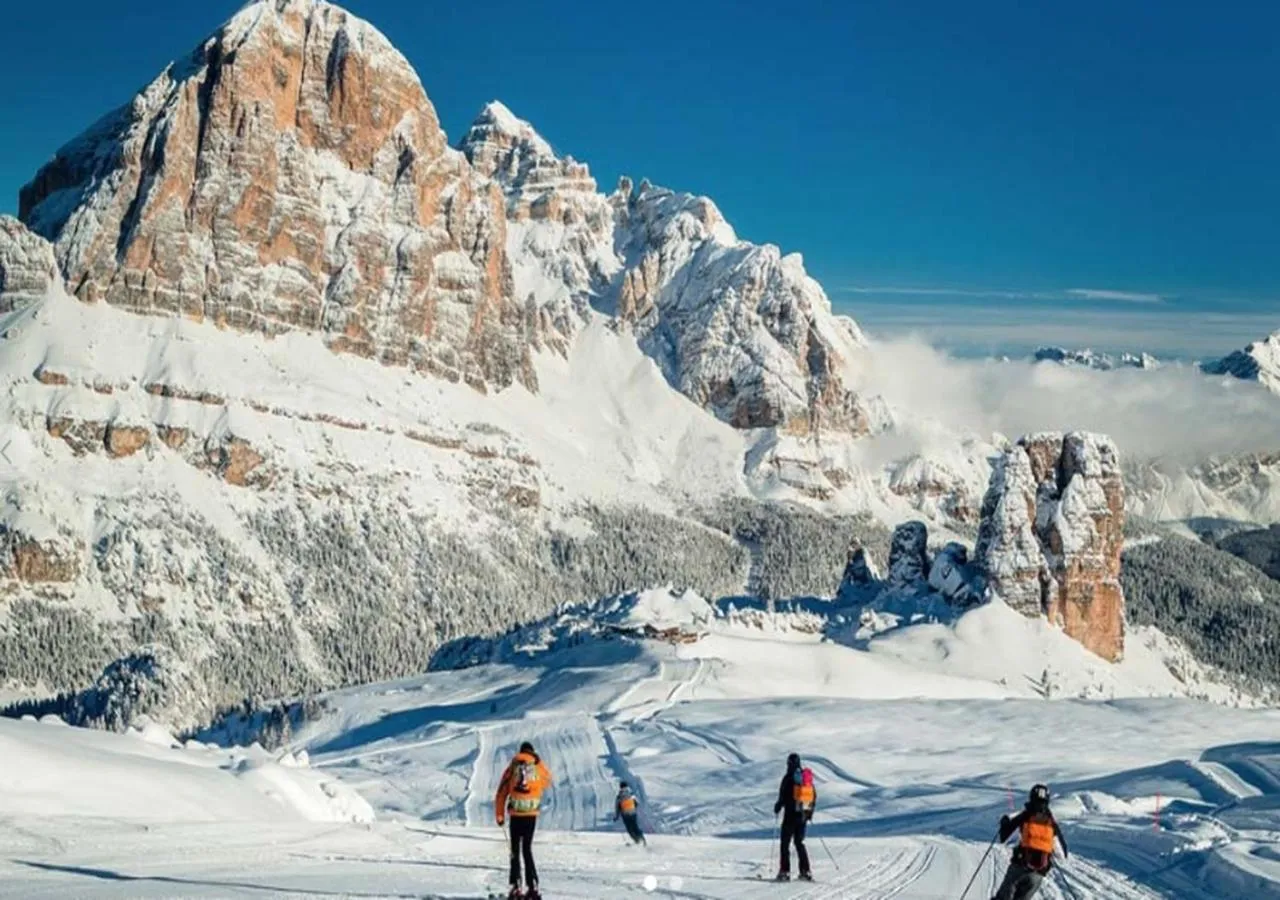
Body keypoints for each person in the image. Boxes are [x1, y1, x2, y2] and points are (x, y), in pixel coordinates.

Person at [495, 741, 553, 900]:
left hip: (516, 814)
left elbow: (501, 792)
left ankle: (516, 887)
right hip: (531, 814)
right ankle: (533, 886)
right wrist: (538, 761)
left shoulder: (513, 765)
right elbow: (547, 780)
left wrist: (500, 816)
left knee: (515, 850)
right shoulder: (536, 766)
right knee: (527, 849)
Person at [992, 784, 1069, 900]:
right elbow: (1062, 855)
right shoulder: (1051, 823)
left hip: (1018, 868)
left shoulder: (1025, 816)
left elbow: (1005, 839)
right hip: (1037, 874)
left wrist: (1004, 823)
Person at [772, 752, 816, 881]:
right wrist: (809, 813)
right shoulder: (806, 779)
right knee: (799, 843)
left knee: (785, 844)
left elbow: (783, 795)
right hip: (802, 816)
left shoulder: (788, 778)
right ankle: (805, 871)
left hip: (790, 816)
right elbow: (813, 796)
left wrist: (778, 806)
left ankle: (784, 872)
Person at [614, 781, 646, 845]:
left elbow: (617, 808)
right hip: (633, 813)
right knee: (635, 827)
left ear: (620, 787)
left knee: (630, 829)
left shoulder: (619, 797)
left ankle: (637, 840)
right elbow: (637, 803)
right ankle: (642, 839)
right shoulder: (631, 794)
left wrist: (616, 817)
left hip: (625, 815)